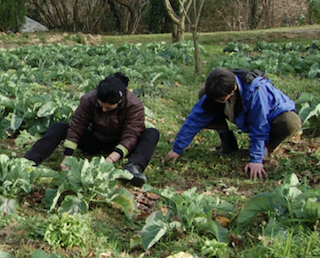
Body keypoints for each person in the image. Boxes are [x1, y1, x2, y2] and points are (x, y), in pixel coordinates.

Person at [165, 68, 302, 180]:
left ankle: (265, 148)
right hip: (241, 113)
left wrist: (256, 159)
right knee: (205, 97)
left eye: (222, 98)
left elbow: (260, 125)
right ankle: (228, 143)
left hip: (272, 115)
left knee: (291, 122)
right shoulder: (221, 85)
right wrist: (177, 148)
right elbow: (196, 118)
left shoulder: (256, 92)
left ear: (233, 90)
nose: (218, 101)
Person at [24, 73, 160, 187]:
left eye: (109, 108)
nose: (104, 110)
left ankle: (132, 168)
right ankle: (28, 161)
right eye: (101, 106)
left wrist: (110, 160)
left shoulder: (134, 104)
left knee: (152, 133)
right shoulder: (89, 99)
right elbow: (77, 125)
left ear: (120, 101)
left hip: (121, 144)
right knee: (59, 127)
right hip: (96, 138)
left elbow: (132, 134)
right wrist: (68, 157)